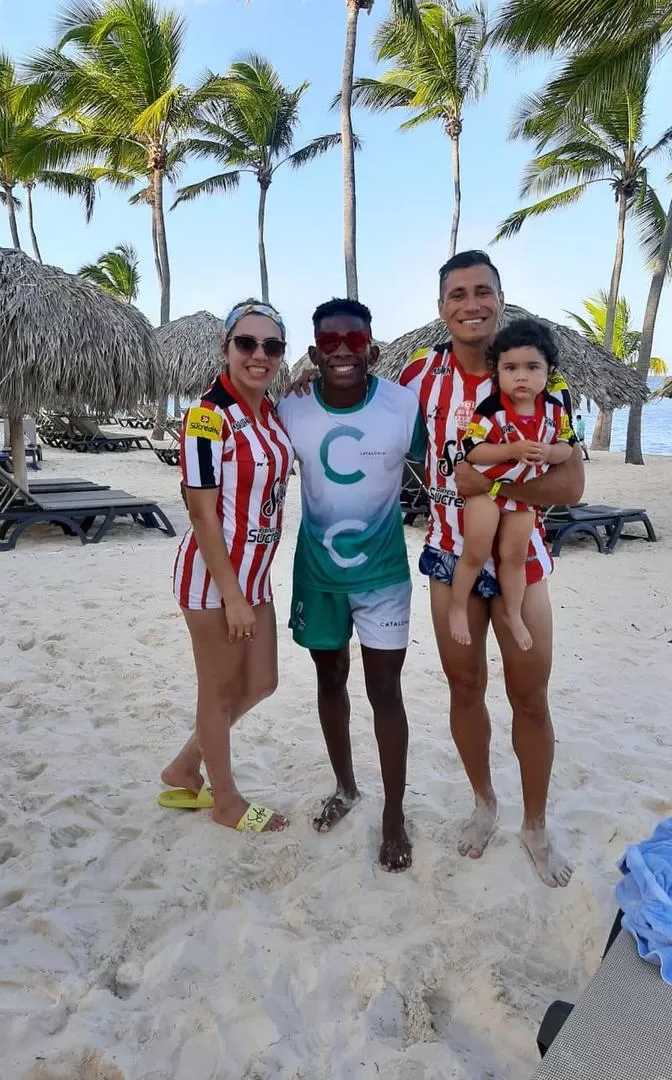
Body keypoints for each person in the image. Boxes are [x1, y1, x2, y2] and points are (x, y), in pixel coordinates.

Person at [399, 250, 584, 887]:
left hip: (522, 561)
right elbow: (368, 424)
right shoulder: (420, 374)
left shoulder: (534, 374)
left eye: (483, 291)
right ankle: (484, 802)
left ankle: (535, 824)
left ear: (501, 300)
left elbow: (572, 484)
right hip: (450, 556)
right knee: (464, 688)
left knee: (530, 696)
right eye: (457, 294)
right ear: (441, 307)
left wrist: (484, 479)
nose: (470, 304)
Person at [277, 299, 422, 872]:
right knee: (329, 677)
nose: (342, 350)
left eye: (353, 340)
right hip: (317, 573)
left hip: (384, 573)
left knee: (385, 692)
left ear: (374, 350)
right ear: (313, 353)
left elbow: (451, 467)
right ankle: (345, 787)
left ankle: (393, 814)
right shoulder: (290, 410)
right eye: (329, 342)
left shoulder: (403, 406)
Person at [159, 300, 294, 834]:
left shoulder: (269, 411)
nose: (259, 355)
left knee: (262, 682)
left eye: (272, 346)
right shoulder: (206, 417)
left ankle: (185, 765)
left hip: (254, 576)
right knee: (216, 692)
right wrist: (231, 595)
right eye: (247, 343)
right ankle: (225, 801)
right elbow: (200, 510)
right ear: (225, 348)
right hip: (214, 579)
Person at [449, 319, 574, 651]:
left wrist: (549, 451)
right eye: (511, 367)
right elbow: (473, 450)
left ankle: (513, 614)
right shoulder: (491, 409)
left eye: (533, 367)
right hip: (485, 493)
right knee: (475, 551)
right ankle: (458, 607)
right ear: (498, 372)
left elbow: (567, 447)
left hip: (522, 498)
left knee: (514, 557)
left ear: (548, 371)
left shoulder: (554, 410)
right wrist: (512, 450)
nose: (522, 376)